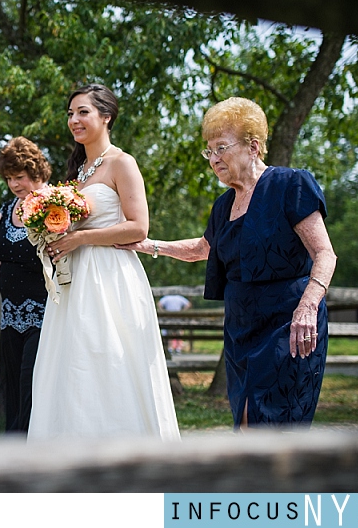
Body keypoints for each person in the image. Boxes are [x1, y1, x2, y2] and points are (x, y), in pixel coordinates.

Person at [121, 97, 336, 431]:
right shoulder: (223, 207)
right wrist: (150, 245)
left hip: (289, 323)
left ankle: (278, 482)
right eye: (209, 151)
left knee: (273, 421)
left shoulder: (290, 185)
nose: (214, 158)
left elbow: (325, 254)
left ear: (253, 146)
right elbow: (202, 248)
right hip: (241, 327)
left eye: (221, 147)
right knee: (246, 418)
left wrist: (308, 307)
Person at [27, 84, 180, 441]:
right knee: (73, 365)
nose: (74, 120)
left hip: (110, 277)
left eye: (83, 112)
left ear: (106, 116)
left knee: (109, 360)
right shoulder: (77, 173)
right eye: (70, 113)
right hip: (75, 280)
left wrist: (80, 238)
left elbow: (138, 227)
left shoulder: (121, 163)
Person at [0, 136, 52, 435]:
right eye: (9, 178)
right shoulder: (7, 208)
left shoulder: (55, 207)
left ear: (38, 173)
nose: (15, 184)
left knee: (31, 384)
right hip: (10, 315)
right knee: (12, 385)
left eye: (21, 177)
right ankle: (10, 452)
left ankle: (29, 453)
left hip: (46, 315)